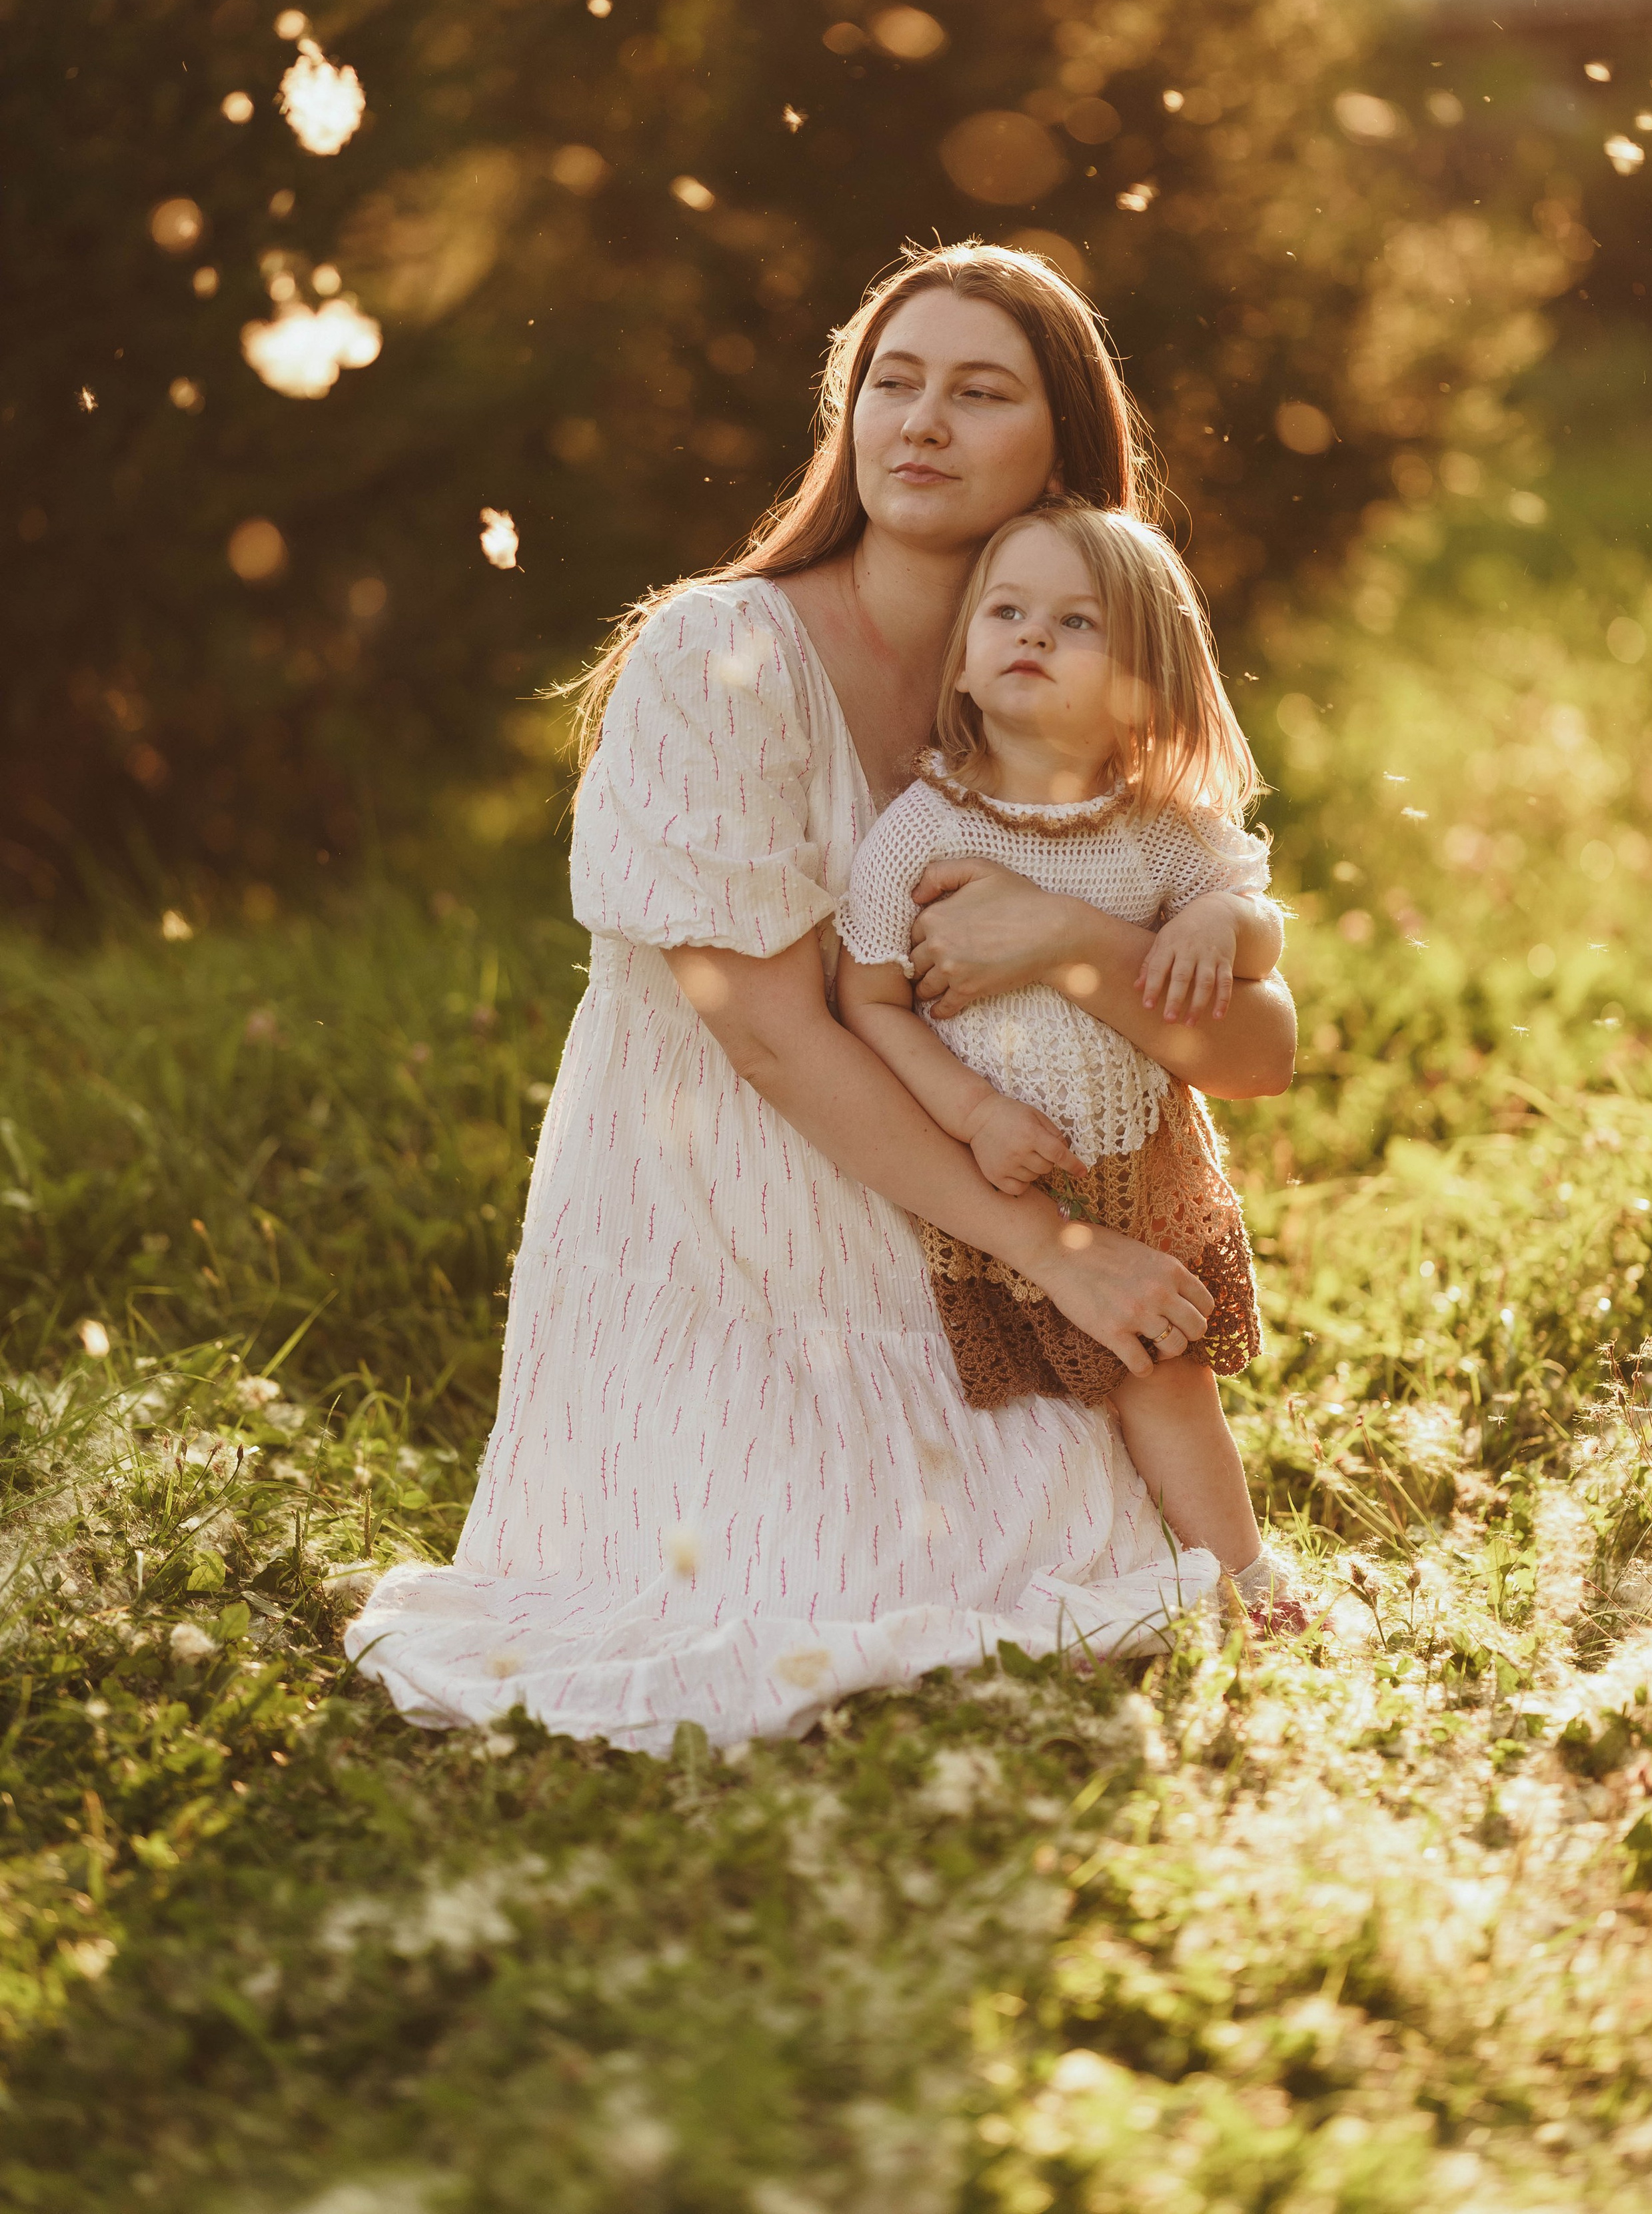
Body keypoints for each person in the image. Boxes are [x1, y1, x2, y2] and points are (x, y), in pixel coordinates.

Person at [345, 242, 1296, 1753]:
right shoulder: (714, 654)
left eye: (979, 392)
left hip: (965, 1212)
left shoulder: (1066, 690)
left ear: (1063, 445)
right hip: (729, 1204)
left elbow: (1250, 1045)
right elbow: (778, 1039)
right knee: (799, 1578)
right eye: (890, 383)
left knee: (1082, 1549)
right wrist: (1059, 1253)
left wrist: (1069, 939)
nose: (920, 421)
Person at [836, 500, 1303, 1629]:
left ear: (1147, 682)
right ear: (962, 659)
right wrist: (972, 1111)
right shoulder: (923, 828)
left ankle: (1247, 1582)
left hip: (1137, 1175)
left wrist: (1220, 924)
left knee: (1162, 1370)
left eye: (1076, 623)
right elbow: (870, 1001)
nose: (1033, 636)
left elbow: (1256, 930)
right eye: (1006, 612)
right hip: (999, 1178)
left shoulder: (1161, 828)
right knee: (1018, 1401)